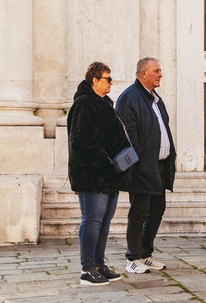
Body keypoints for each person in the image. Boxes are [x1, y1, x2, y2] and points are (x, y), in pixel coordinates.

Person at [67, 62, 132, 285]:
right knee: (92, 220)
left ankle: (98, 264)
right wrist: (106, 163)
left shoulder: (104, 103)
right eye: (107, 78)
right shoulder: (84, 103)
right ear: (94, 81)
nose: (111, 82)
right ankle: (87, 269)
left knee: (104, 222)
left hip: (110, 174)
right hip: (92, 175)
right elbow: (82, 143)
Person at [116, 57, 176, 274]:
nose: (160, 74)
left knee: (157, 210)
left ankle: (145, 253)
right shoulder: (129, 98)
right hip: (142, 167)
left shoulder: (155, 98)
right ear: (143, 73)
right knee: (139, 212)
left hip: (159, 165)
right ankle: (133, 257)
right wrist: (140, 159)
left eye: (160, 71)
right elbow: (127, 134)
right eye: (156, 71)